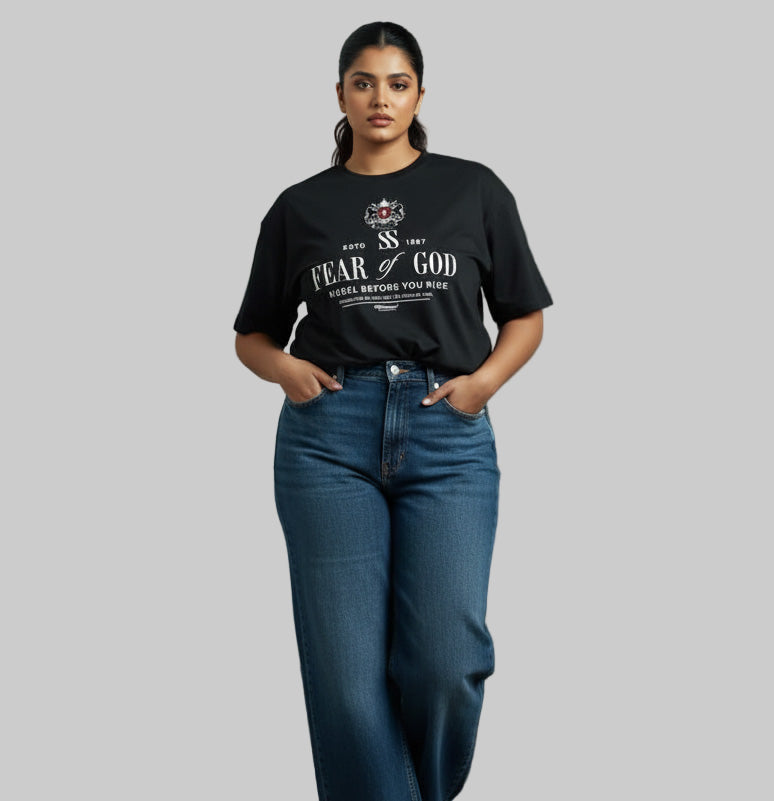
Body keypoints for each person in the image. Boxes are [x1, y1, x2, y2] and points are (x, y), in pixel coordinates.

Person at [233, 20, 554, 801]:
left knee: (445, 661)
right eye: (364, 82)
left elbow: (524, 314)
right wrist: (285, 371)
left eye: (397, 82)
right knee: (345, 683)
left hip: (448, 429)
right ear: (340, 93)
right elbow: (252, 335)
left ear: (419, 93)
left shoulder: (472, 188)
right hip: (327, 438)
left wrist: (482, 386)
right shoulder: (299, 206)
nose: (381, 98)